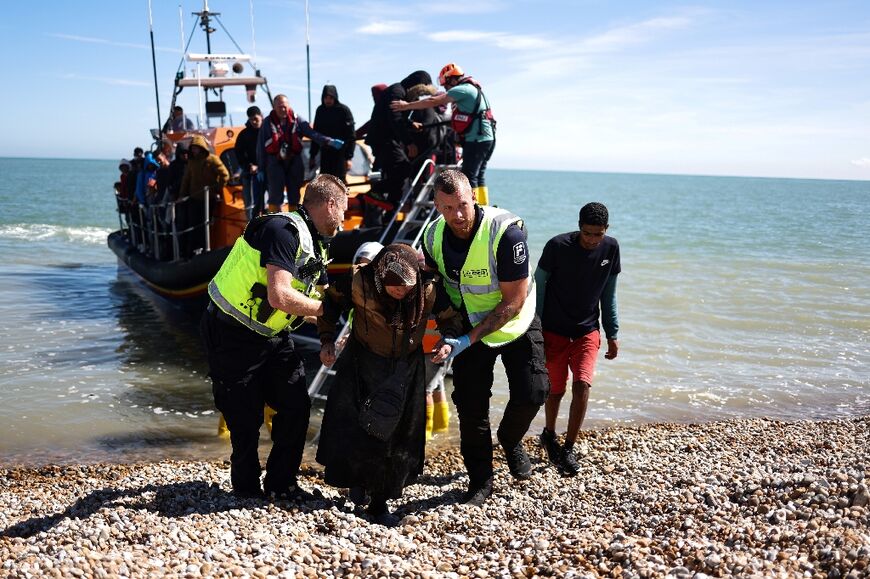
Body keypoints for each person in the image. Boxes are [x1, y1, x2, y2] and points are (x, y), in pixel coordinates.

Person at [201, 174, 349, 500]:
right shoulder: (282, 231)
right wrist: (324, 309)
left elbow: (313, 302)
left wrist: (329, 336)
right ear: (331, 204)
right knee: (244, 420)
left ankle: (282, 484)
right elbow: (280, 296)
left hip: (273, 335)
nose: (344, 219)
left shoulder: (315, 244)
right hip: (231, 333)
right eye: (343, 211)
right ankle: (246, 490)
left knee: (296, 406)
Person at [424, 169, 549, 506]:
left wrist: (469, 338)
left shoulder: (505, 234)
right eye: (447, 208)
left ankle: (509, 439)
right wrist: (449, 332)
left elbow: (514, 300)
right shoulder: (431, 237)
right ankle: (481, 481)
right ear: (436, 206)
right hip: (467, 325)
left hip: (515, 322)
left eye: (463, 205)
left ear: (475, 197)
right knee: (470, 406)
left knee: (534, 391)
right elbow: (436, 290)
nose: (458, 216)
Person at [316, 243, 461, 525]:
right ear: (381, 277)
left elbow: (450, 318)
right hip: (362, 362)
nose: (401, 292)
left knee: (395, 435)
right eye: (394, 288)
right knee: (354, 427)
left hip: (405, 366)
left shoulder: (427, 289)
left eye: (406, 288)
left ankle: (380, 502)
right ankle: (356, 482)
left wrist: (447, 340)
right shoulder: (360, 281)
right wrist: (326, 340)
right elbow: (330, 305)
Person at [536, 202, 620, 476]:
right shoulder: (557, 246)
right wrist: (534, 327)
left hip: (587, 330)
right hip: (553, 331)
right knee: (556, 390)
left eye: (598, 234)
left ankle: (569, 447)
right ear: (579, 226)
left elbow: (609, 294)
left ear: (606, 230)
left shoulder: (611, 248)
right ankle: (549, 434)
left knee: (582, 385)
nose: (593, 240)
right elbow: (538, 286)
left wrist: (612, 332)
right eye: (587, 234)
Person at [391, 63, 495, 205]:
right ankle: (483, 206)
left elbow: (433, 101)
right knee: (479, 175)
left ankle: (474, 209)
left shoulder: (462, 89)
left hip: (477, 139)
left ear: (452, 79)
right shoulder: (474, 89)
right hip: (486, 138)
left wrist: (406, 106)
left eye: (445, 84)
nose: (445, 88)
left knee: (469, 175)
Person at [257, 94, 344, 214]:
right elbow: (261, 147)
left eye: (284, 106)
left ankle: (294, 222)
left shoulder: (298, 120)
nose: (282, 109)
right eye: (279, 107)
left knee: (295, 195)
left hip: (294, 161)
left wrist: (329, 141)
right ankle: (275, 221)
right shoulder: (267, 123)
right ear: (274, 107)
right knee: (275, 196)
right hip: (275, 162)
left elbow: (312, 134)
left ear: (288, 106)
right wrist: (261, 168)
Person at [178, 135, 230, 257]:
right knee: (194, 225)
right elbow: (186, 180)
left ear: (202, 148)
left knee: (205, 224)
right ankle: (193, 250)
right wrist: (182, 195)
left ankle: (204, 248)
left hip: (208, 198)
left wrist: (217, 189)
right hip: (194, 198)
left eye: (196, 148)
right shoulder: (191, 162)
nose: (194, 151)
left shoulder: (212, 159)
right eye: (192, 148)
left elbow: (225, 175)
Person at [309, 85, 356, 183]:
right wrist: (312, 155)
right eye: (326, 98)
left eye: (330, 98)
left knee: (339, 184)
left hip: (341, 154)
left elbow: (351, 136)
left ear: (335, 98)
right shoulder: (320, 110)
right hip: (325, 154)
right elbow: (316, 134)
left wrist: (349, 158)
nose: (328, 100)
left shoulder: (343, 110)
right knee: (325, 184)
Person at [235, 106, 264, 220]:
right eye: (251, 119)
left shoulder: (267, 131)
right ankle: (251, 226)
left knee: (265, 203)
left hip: (266, 172)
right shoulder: (244, 134)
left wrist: (261, 166)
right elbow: (239, 153)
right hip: (249, 174)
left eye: (256, 119)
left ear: (261, 116)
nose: (254, 122)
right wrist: (249, 165)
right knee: (249, 205)